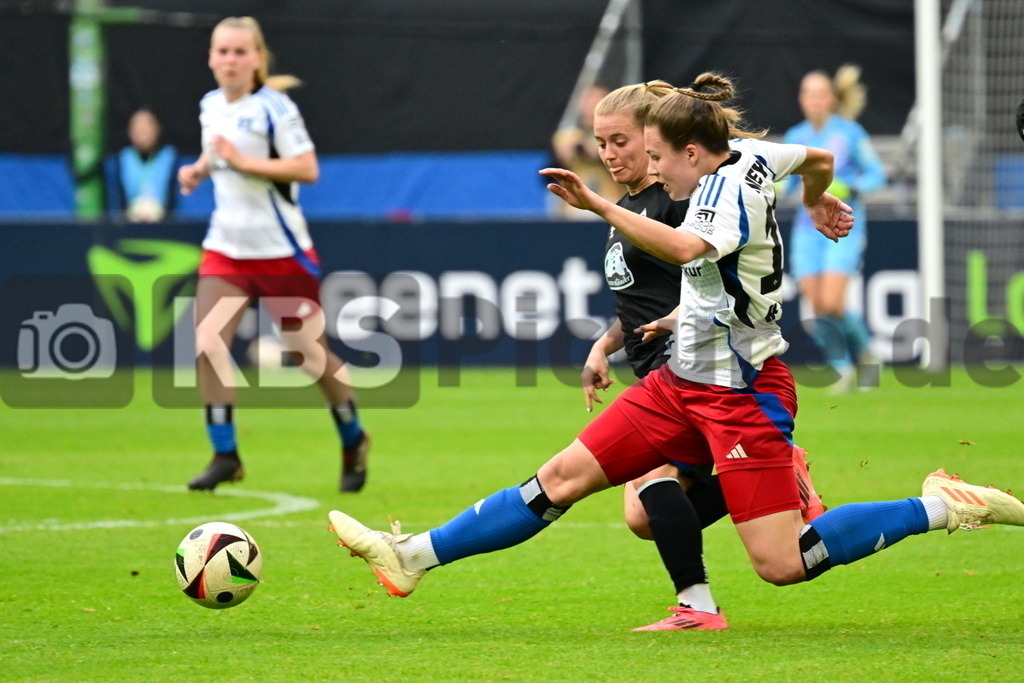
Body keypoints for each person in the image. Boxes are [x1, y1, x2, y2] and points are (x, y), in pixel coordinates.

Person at [326, 73, 1024, 617]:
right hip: (680, 379)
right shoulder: (748, 153)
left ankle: (941, 505)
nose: (652, 171)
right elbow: (818, 153)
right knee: (561, 480)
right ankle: (411, 555)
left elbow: (691, 244)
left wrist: (597, 204)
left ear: (688, 151)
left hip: (743, 392)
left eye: (655, 156)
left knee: (783, 562)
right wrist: (814, 196)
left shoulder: (723, 194)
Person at [581, 81, 824, 631]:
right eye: (600, 142)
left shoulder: (680, 199)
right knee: (644, 517)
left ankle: (697, 606)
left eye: (620, 141)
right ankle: (782, 477)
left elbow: (698, 276)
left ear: (653, 141)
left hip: (695, 368)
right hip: (661, 367)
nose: (609, 154)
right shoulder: (636, 206)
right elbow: (646, 300)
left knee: (649, 497)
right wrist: (604, 343)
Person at [177, 16, 370, 493]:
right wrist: (198, 169)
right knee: (207, 342)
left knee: (308, 356)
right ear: (209, 57)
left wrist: (245, 162)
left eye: (240, 52)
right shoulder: (209, 106)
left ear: (258, 59)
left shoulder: (274, 109)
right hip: (226, 248)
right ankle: (226, 454)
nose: (230, 60)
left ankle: (353, 436)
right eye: (222, 51)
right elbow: (216, 153)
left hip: (282, 253)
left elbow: (307, 168)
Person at [782, 65, 887, 393]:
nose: (813, 100)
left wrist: (848, 185)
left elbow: (876, 175)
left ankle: (868, 355)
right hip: (805, 229)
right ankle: (841, 368)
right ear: (801, 99)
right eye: (807, 94)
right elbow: (784, 185)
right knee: (816, 307)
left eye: (819, 94)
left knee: (832, 302)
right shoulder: (795, 138)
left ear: (831, 99)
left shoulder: (850, 133)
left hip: (843, 225)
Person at [550, 84, 622, 220]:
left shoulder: (618, 135)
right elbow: (547, 175)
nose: (591, 105)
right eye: (587, 100)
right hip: (574, 207)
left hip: (611, 202)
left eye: (597, 100)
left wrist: (598, 155)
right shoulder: (567, 137)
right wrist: (563, 158)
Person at [110, 108, 178, 222]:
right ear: (130, 132)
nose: (143, 131)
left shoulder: (171, 158)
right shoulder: (121, 159)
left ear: (158, 129)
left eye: (148, 126)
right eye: (138, 128)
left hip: (166, 226)